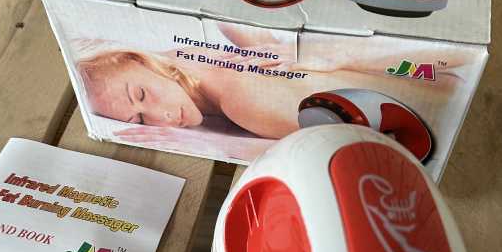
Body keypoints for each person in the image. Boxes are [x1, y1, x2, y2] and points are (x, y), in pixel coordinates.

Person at [75, 23, 469, 148]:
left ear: (143, 60)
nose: (161, 117)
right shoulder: (200, 54)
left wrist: (228, 147)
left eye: (141, 95)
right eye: (139, 119)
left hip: (451, 113)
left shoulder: (244, 100)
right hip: (440, 83)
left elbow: (356, 140)